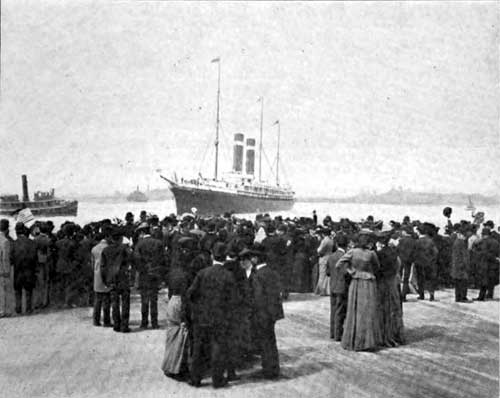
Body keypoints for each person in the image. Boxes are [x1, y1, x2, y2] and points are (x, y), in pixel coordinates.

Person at [186, 242, 237, 388]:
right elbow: (234, 300)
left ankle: (195, 379)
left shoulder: (202, 273)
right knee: (218, 348)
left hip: (201, 317)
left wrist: (197, 307)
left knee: (198, 348)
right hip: (220, 317)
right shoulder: (228, 275)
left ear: (212, 255)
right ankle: (217, 379)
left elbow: (191, 293)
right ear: (225, 257)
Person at [337, 231, 382, 351]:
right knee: (367, 310)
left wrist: (351, 271)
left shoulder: (352, 252)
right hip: (369, 282)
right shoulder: (371, 254)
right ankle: (367, 341)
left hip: (356, 282)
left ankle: (354, 339)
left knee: (355, 309)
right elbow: (377, 267)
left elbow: (339, 264)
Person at [250, 245, 284, 379]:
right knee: (271, 340)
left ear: (256, 258)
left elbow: (257, 297)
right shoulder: (272, 271)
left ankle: (268, 369)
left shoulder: (257, 275)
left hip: (262, 313)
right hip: (273, 312)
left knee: (264, 341)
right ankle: (273, 368)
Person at [161, 264, 190, 381]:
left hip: (173, 303)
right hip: (178, 307)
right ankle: (176, 369)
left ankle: (169, 367)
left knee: (172, 345)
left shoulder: (174, 274)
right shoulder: (184, 278)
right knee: (178, 346)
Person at [134, 223, 166, 329]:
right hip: (155, 274)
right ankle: (154, 322)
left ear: (142, 232)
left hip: (144, 274)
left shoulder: (139, 244)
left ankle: (144, 322)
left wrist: (142, 270)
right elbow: (163, 260)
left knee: (144, 299)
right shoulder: (158, 243)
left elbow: (136, 260)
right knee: (154, 299)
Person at [376, 234, 405, 347]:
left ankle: (384, 337)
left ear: (380, 243)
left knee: (383, 310)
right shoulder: (394, 253)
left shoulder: (379, 254)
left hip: (383, 284)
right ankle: (396, 336)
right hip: (393, 284)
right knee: (394, 309)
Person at [101, 227, 132, 333]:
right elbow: (130, 261)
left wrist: (105, 280)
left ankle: (116, 325)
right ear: (120, 238)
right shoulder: (124, 249)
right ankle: (124, 325)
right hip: (123, 278)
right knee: (125, 303)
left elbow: (103, 267)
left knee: (114, 303)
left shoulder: (106, 250)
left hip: (111, 279)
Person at [326, 234, 349, 341]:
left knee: (333, 309)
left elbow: (328, 273)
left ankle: (332, 332)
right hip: (342, 286)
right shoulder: (346, 257)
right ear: (347, 244)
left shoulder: (331, 256)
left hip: (333, 285)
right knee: (340, 310)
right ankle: (338, 334)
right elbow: (346, 273)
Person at [11, 222, 38, 314]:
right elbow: (35, 257)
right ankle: (28, 308)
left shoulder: (14, 243)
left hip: (18, 270)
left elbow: (11, 258)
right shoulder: (32, 243)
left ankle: (18, 308)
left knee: (18, 290)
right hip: (29, 270)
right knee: (29, 290)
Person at [91, 228, 111, 327]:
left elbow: (92, 263)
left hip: (97, 274)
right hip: (107, 274)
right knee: (107, 299)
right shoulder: (109, 248)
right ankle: (106, 321)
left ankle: (96, 320)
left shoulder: (94, 248)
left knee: (98, 299)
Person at [414, 223, 439, 301]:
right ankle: (431, 295)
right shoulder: (430, 241)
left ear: (419, 232)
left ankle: (421, 295)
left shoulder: (417, 242)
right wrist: (432, 259)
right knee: (430, 279)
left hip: (419, 263)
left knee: (420, 279)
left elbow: (414, 253)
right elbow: (436, 252)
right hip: (429, 263)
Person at [474, 227, 500, 301]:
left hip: (486, 263)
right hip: (494, 264)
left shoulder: (484, 242)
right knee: (491, 280)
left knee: (484, 280)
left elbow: (484, 253)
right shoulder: (496, 242)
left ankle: (481, 296)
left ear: (484, 235)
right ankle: (490, 295)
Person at [451, 224, 471, 302]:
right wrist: (467, 265)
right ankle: (462, 297)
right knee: (463, 282)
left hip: (456, 265)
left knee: (457, 283)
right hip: (461, 266)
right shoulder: (461, 243)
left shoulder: (456, 242)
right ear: (460, 234)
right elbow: (465, 255)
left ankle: (458, 297)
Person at [0, 219, 14, 317]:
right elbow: (5, 258)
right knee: (3, 291)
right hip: (1, 270)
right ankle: (3, 311)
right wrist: (7, 270)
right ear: (7, 228)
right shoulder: (5, 241)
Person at [315, 228, 334, 296]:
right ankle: (327, 290)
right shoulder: (331, 240)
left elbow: (320, 250)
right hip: (329, 257)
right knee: (328, 275)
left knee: (322, 274)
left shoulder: (324, 241)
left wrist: (318, 250)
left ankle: (321, 290)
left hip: (323, 258)